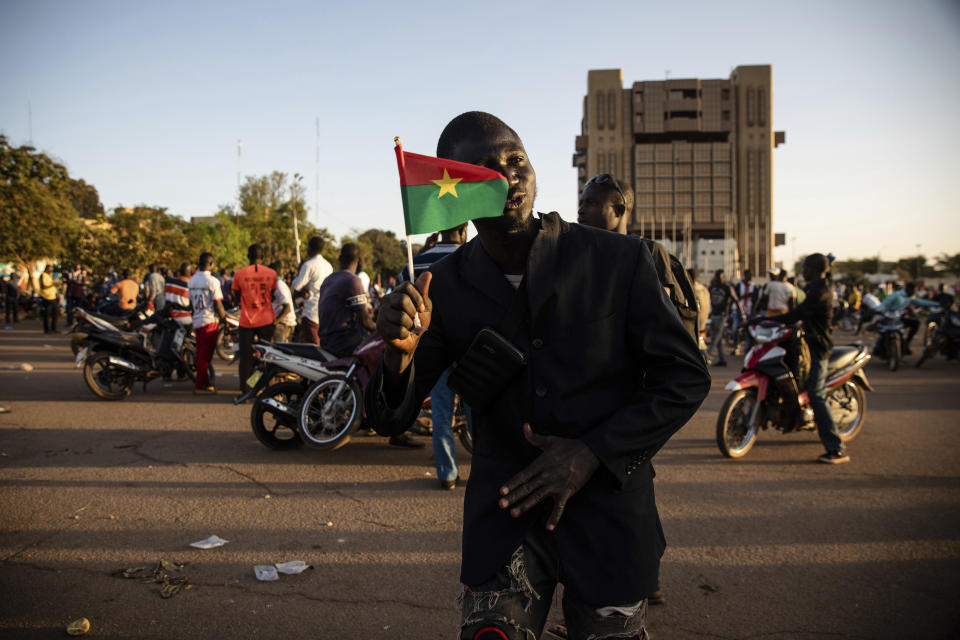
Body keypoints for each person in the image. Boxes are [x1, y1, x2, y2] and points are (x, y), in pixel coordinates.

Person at [368, 111, 710, 639]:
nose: (508, 177)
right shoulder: (443, 287)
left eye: (516, 160)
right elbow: (392, 417)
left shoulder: (619, 261)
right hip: (505, 517)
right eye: (483, 169)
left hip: (609, 513)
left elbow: (686, 377)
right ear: (452, 188)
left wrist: (592, 452)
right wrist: (398, 355)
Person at [399, 223, 473, 485]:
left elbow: (402, 299)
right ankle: (485, 470)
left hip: (434, 349)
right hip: (469, 349)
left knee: (442, 414)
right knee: (478, 410)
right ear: (463, 229)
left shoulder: (416, 262)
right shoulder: (474, 258)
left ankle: (447, 474)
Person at [763, 253, 848, 464]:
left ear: (815, 269)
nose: (803, 271)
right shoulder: (816, 286)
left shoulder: (821, 290)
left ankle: (836, 447)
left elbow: (798, 314)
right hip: (805, 344)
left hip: (818, 348)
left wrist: (765, 320)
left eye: (806, 267)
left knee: (816, 393)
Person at [233, 245, 277, 393]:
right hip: (266, 319)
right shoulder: (271, 273)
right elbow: (274, 294)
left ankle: (245, 389)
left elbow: (236, 296)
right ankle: (265, 386)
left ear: (247, 256)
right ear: (263, 257)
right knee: (266, 356)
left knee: (246, 357)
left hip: (247, 321)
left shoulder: (239, 274)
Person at [187, 253, 226, 394]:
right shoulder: (213, 281)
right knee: (205, 356)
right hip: (209, 321)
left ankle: (205, 383)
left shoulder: (191, 281)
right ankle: (200, 385)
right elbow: (218, 304)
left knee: (201, 354)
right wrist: (224, 319)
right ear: (210, 264)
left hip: (196, 320)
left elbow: (190, 303)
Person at [292, 236, 334, 345]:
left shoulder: (308, 265)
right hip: (325, 312)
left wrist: (301, 291)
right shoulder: (328, 266)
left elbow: (297, 286)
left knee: (312, 349)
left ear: (310, 248)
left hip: (311, 312)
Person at [878, 282, 939, 354]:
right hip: (888, 317)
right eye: (913, 291)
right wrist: (878, 310)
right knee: (881, 329)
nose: (913, 292)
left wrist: (937, 304)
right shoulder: (897, 295)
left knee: (916, 323)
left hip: (898, 318)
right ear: (908, 289)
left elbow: (920, 302)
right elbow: (885, 303)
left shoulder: (909, 298)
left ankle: (906, 343)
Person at [707, 269, 740, 366]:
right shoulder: (712, 287)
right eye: (716, 277)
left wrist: (742, 314)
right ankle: (722, 360)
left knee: (716, 335)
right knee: (718, 338)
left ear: (723, 277)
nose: (717, 279)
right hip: (714, 314)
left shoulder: (727, 288)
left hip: (722, 315)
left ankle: (708, 354)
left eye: (719, 277)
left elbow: (736, 300)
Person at [269, 261, 297, 342]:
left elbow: (287, 309)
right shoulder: (276, 284)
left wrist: (274, 323)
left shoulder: (279, 285)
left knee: (276, 351)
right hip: (282, 324)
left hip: (283, 325)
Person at [164, 262, 193, 327]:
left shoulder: (169, 282)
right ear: (190, 273)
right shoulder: (190, 286)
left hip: (168, 315)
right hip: (184, 318)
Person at [38, 264, 60, 334]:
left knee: (55, 314)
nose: (51, 270)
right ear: (46, 269)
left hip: (53, 297)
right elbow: (44, 286)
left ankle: (54, 329)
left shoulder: (49, 276)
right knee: (47, 314)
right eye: (50, 269)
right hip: (46, 298)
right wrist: (53, 284)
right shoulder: (43, 275)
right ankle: (47, 330)